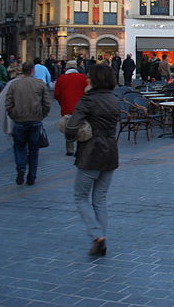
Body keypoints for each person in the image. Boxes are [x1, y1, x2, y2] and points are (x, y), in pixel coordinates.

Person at [65, 64, 120, 257]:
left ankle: (97, 236)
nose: (87, 79)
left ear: (96, 79)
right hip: (110, 151)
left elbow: (71, 128)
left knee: (80, 197)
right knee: (100, 199)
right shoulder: (114, 99)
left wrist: (69, 127)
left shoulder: (87, 100)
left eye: (89, 77)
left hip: (91, 152)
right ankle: (101, 238)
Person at [6, 62, 51, 186]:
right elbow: (47, 103)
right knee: (34, 149)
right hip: (35, 120)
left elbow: (8, 103)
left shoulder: (15, 84)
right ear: (32, 71)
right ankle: (32, 176)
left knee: (19, 146)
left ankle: (21, 167)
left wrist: (13, 115)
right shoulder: (39, 84)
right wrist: (42, 115)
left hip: (19, 120)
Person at [54, 60, 88, 157]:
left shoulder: (61, 78)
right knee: (80, 127)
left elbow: (56, 94)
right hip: (80, 107)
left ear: (66, 68)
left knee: (68, 127)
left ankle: (70, 149)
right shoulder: (82, 77)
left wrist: (61, 101)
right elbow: (87, 92)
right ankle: (79, 148)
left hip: (67, 106)